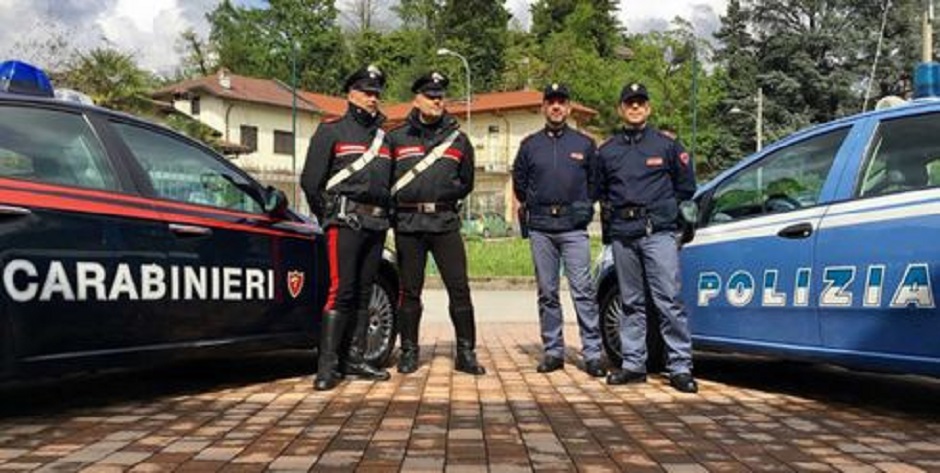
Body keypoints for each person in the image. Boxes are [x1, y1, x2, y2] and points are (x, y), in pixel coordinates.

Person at [596, 82, 699, 393]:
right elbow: (600, 190)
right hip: (623, 234)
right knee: (631, 302)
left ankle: (679, 367)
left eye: (640, 103)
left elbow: (686, 186)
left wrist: (665, 214)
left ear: (648, 108)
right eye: (629, 103)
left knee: (669, 300)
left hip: (658, 233)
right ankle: (633, 365)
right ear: (621, 109)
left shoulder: (667, 145)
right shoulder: (608, 150)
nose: (635, 107)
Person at [300, 65, 393, 391]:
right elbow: (311, 182)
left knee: (365, 293)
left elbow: (388, 183)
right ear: (351, 94)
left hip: (376, 223)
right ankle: (327, 366)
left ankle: (355, 358)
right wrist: (329, 216)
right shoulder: (331, 131)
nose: (372, 98)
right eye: (366, 92)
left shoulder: (384, 137)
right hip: (345, 222)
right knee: (341, 291)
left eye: (376, 93)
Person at [388, 71, 485, 376]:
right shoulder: (396, 138)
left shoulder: (459, 140)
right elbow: (387, 179)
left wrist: (444, 196)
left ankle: (466, 352)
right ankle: (409, 351)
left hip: (444, 223)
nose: (437, 101)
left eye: (440, 96)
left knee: (459, 289)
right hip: (409, 224)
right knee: (409, 292)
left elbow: (466, 182)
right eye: (430, 96)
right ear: (416, 100)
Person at [511, 83, 605, 377]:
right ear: (543, 107)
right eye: (550, 102)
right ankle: (553, 351)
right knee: (547, 292)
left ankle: (592, 353)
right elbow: (519, 184)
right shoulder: (530, 145)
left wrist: (582, 206)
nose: (555, 107)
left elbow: (595, 184)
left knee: (583, 291)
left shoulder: (584, 144)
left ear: (568, 107)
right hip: (541, 228)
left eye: (561, 102)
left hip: (573, 228)